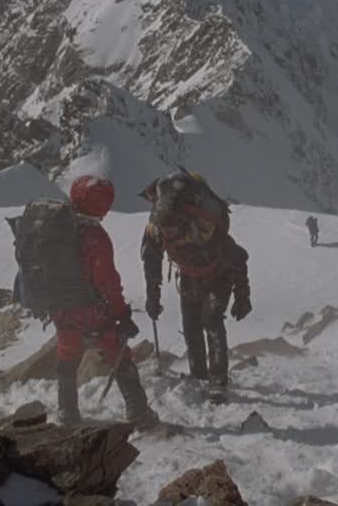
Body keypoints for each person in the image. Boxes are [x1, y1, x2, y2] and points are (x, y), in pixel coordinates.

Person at [51, 175, 159, 428]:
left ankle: (67, 413)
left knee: (67, 357)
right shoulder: (94, 236)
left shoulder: (57, 228)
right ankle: (140, 414)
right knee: (119, 353)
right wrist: (122, 315)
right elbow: (107, 283)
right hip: (91, 310)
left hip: (61, 309)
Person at [140, 171, 251, 401]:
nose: (169, 233)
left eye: (171, 228)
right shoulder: (156, 228)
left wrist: (242, 295)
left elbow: (238, 258)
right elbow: (151, 260)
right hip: (190, 276)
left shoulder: (205, 225)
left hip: (220, 275)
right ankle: (198, 375)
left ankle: (218, 381)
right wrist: (153, 296)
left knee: (211, 320)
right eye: (165, 229)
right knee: (191, 325)